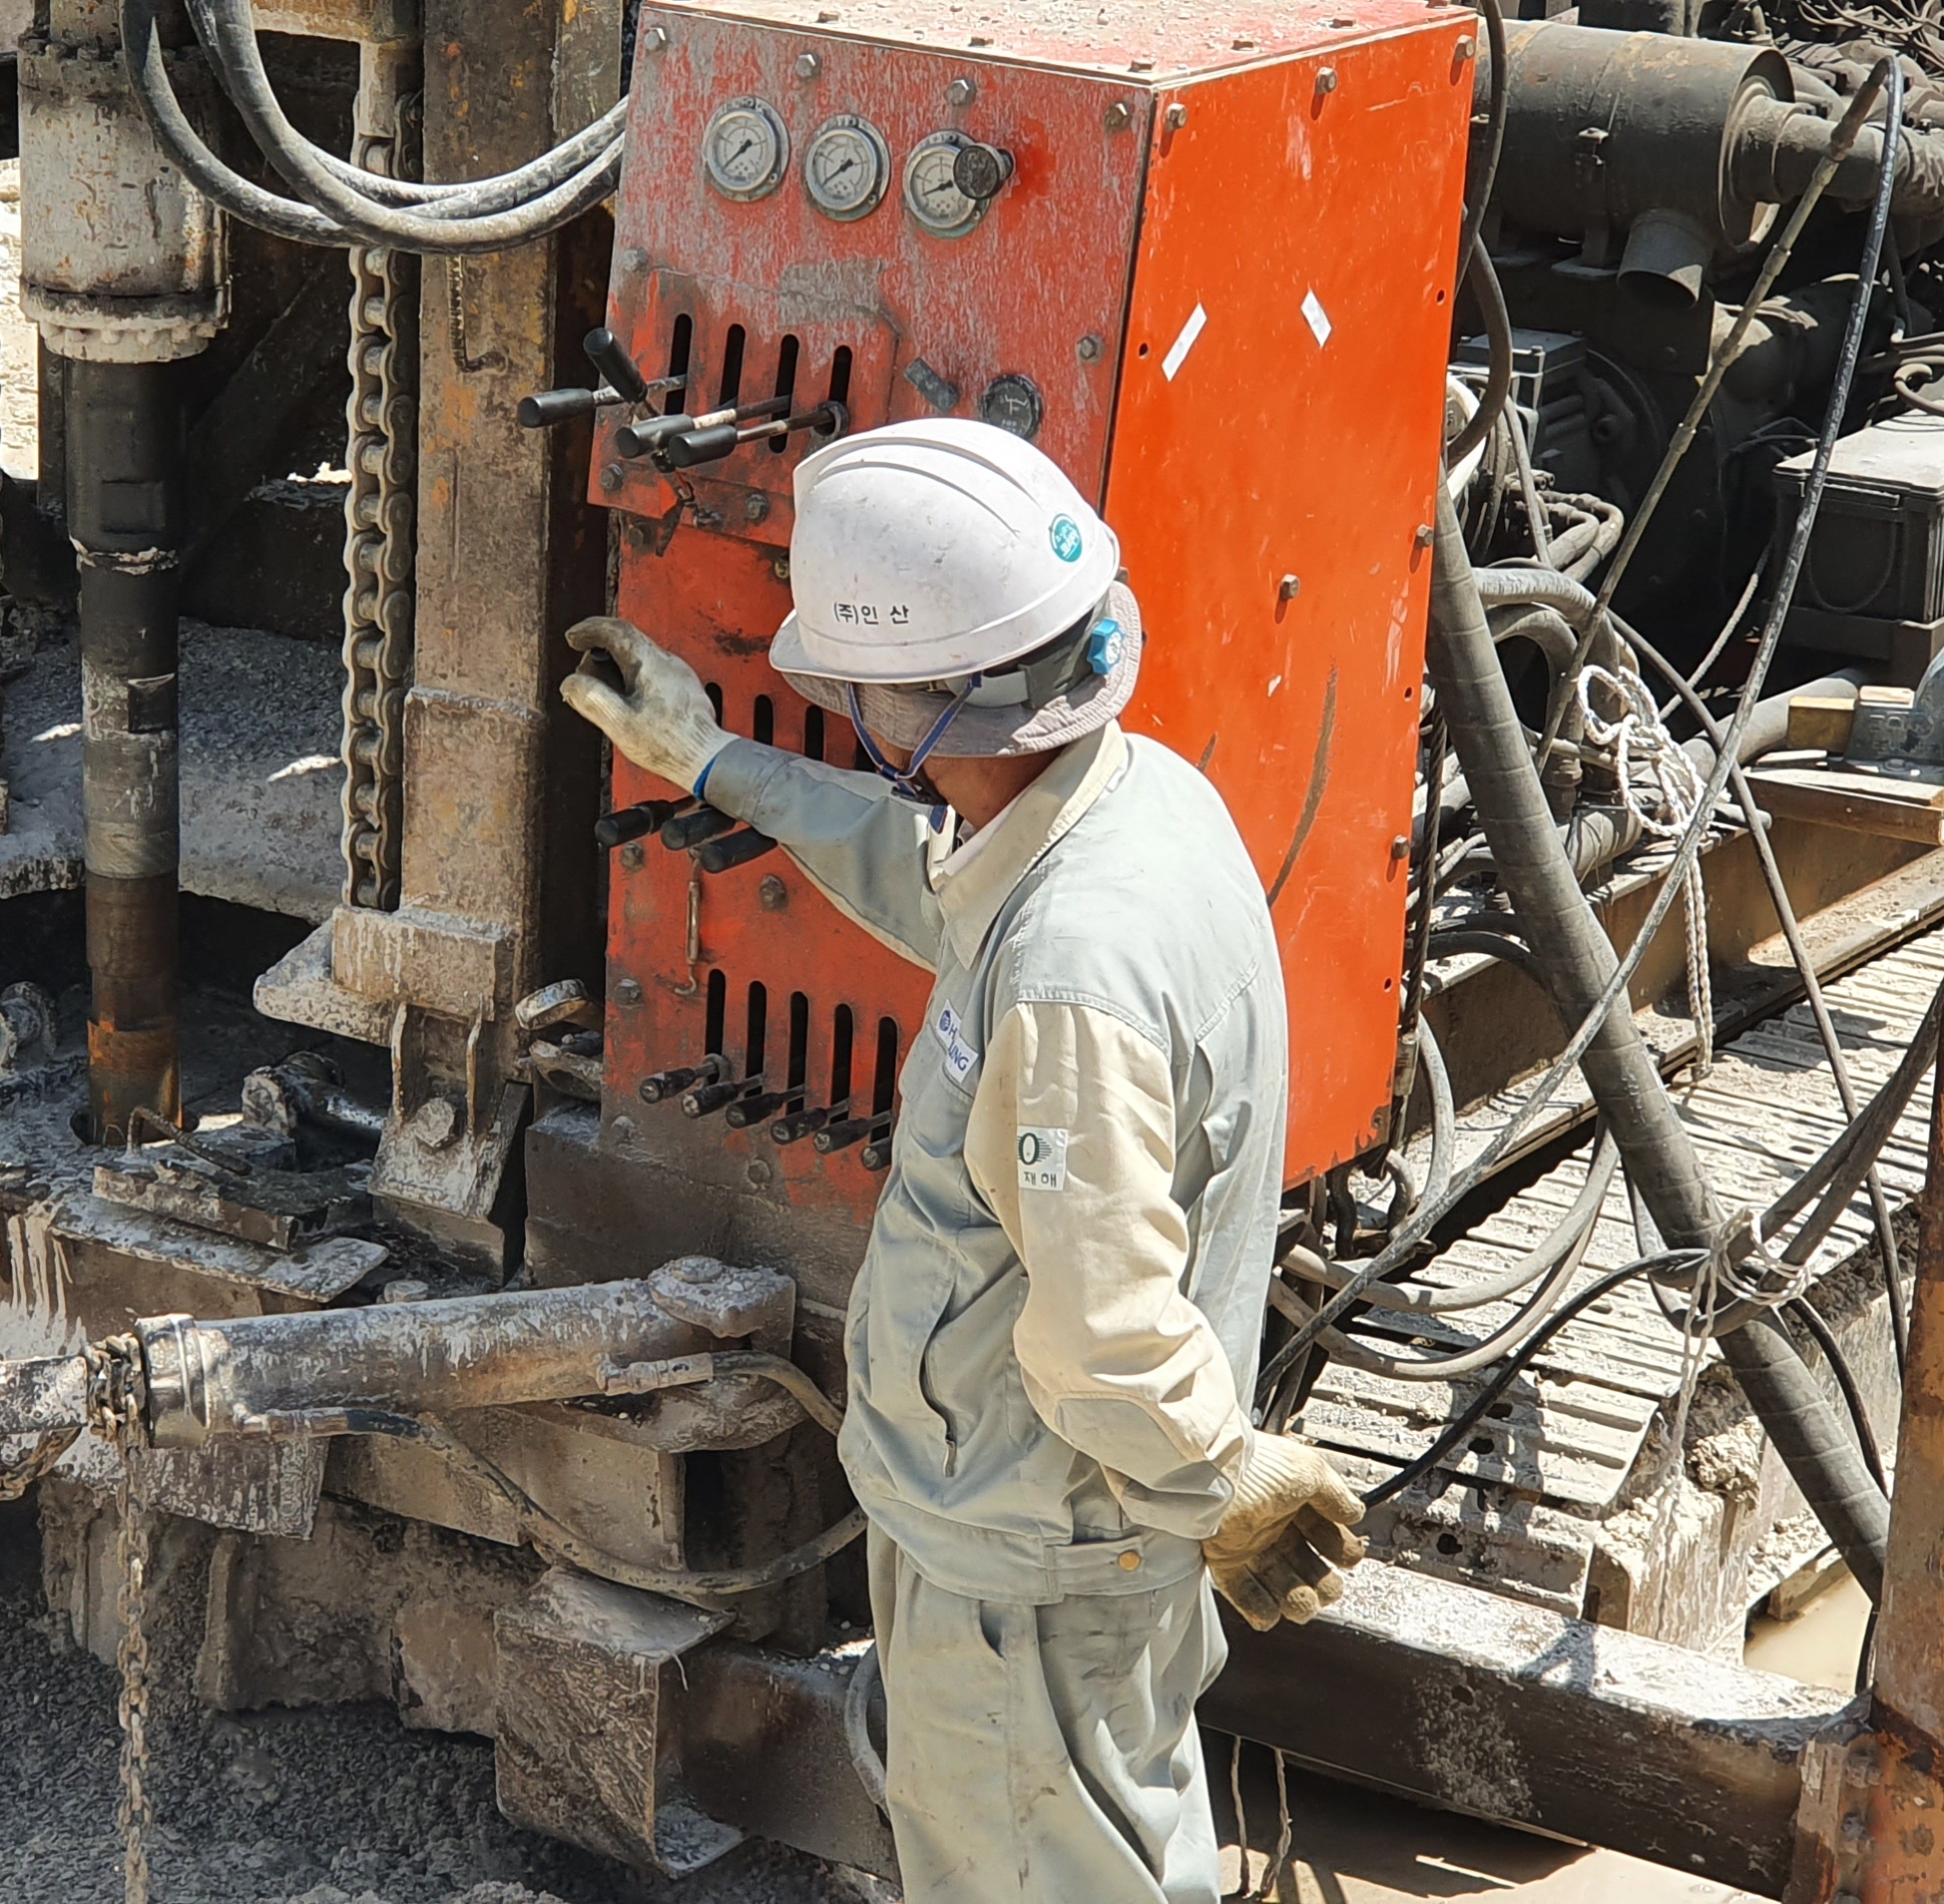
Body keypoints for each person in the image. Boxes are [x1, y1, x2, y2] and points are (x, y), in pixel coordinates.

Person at [557, 418, 1368, 1904]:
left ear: (911, 721)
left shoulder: (1067, 980)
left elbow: (1106, 1340)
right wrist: (717, 761)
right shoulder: (1136, 801)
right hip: (1071, 1550)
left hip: (1028, 1575)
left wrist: (1226, 1476)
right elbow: (948, 886)